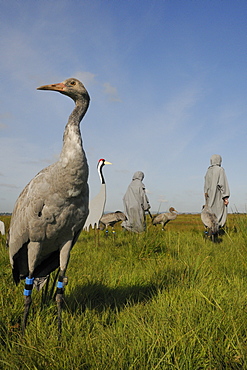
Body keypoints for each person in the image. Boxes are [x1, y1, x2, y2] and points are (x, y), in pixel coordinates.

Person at [204, 154, 230, 228]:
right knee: (218, 213)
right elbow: (223, 184)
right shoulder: (220, 170)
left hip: (208, 197)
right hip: (217, 196)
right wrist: (225, 197)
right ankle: (216, 231)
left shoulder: (208, 171)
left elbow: (205, 185)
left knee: (210, 213)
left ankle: (210, 230)